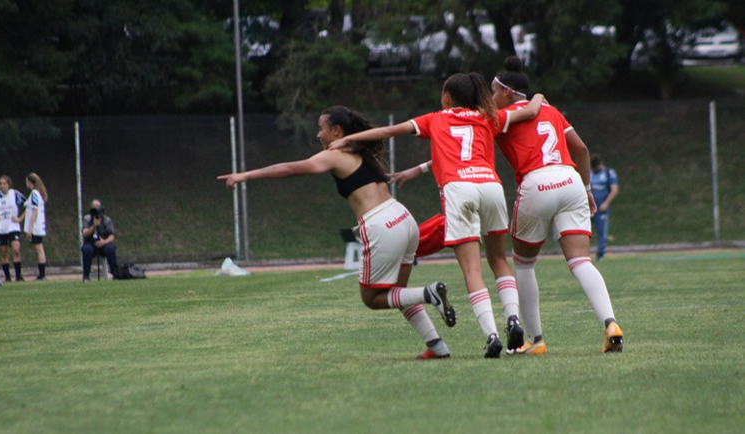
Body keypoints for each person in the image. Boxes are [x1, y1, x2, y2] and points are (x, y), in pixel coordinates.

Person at [330, 73, 544, 358]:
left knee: (472, 270)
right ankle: (513, 320)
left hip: (460, 190)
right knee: (499, 260)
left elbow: (388, 132)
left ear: (446, 98)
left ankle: (492, 335)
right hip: (491, 187)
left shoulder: (436, 118)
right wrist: (540, 97)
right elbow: (530, 109)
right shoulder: (488, 117)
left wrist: (348, 140)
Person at [217, 106, 455, 360]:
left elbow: (290, 169)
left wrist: (245, 175)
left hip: (380, 224)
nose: (318, 135)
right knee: (397, 293)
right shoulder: (361, 151)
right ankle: (437, 347)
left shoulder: (335, 154)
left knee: (373, 298)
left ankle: (428, 293)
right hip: (403, 217)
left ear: (337, 131)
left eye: (322, 129)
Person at [491, 56, 623, 354]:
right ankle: (611, 323)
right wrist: (587, 188)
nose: (491, 98)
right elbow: (582, 149)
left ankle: (536, 340)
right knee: (580, 261)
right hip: (570, 179)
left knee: (523, 265)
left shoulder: (501, 118)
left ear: (507, 93)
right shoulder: (550, 111)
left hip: (536, 182)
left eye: (493, 92)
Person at [589, 154, 619, 260]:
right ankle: (581, 254)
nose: (595, 169)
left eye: (597, 167)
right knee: (584, 230)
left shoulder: (608, 173)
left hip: (601, 208)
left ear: (601, 163)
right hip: (589, 208)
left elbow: (614, 190)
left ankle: (600, 254)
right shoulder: (589, 173)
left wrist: (605, 203)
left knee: (601, 232)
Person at [81, 199, 119, 282]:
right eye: (93, 206)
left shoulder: (106, 219)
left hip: (103, 243)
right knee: (86, 249)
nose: (95, 208)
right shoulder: (87, 219)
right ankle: (86, 276)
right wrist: (94, 226)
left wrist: (104, 242)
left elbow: (112, 235)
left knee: (110, 249)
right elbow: (85, 233)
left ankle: (115, 274)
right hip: (91, 244)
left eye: (97, 206)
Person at [23, 173, 49, 280]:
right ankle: (41, 273)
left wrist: (30, 228)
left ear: (29, 182)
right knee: (37, 249)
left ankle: (42, 275)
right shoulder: (37, 194)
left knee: (39, 249)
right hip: (38, 226)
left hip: (36, 227)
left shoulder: (34, 193)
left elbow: (34, 211)